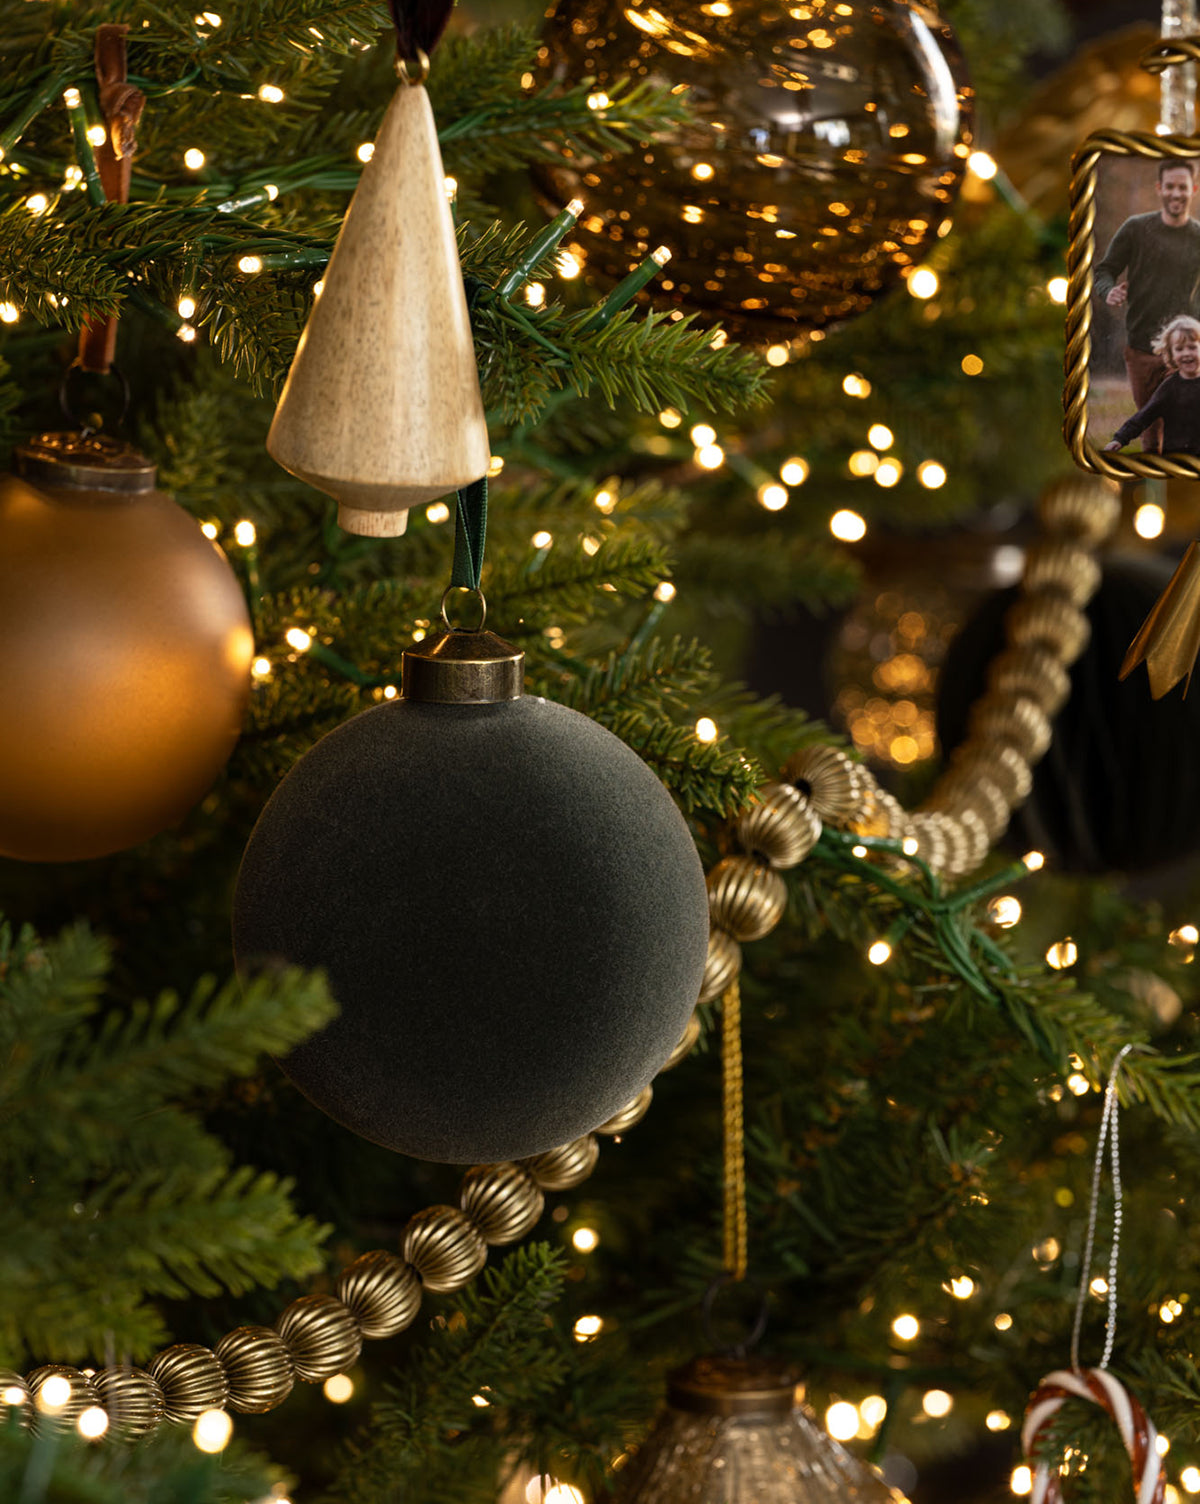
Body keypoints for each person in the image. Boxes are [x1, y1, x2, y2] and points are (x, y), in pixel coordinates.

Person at [1094, 159, 1200, 451]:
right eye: (1170, 187)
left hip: (1184, 348)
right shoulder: (1136, 229)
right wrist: (1108, 291)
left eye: (1182, 187)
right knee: (1150, 428)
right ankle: (1151, 486)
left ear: (1193, 189)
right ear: (1159, 188)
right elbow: (1104, 270)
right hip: (1141, 348)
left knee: (1184, 427)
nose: (1176, 194)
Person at [1105, 313, 1200, 454]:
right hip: (1175, 460)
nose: (1186, 353)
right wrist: (1119, 439)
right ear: (1171, 353)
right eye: (1179, 349)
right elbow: (1144, 416)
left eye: (1192, 347)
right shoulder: (1169, 388)